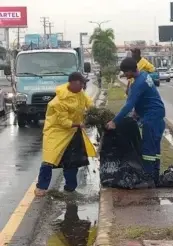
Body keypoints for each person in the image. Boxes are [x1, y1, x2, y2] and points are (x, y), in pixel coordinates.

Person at [35, 72, 96, 197]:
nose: (83, 86)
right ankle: (41, 187)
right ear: (72, 83)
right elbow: (64, 122)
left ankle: (70, 188)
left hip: (73, 132)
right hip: (56, 132)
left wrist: (94, 112)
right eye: (81, 83)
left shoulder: (79, 93)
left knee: (72, 160)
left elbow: (88, 102)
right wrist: (80, 125)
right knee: (49, 160)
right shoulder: (58, 101)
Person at [107, 57, 165, 186]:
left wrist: (114, 121)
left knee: (148, 150)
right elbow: (145, 98)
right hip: (157, 115)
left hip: (151, 117)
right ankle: (155, 177)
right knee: (155, 148)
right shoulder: (143, 75)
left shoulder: (139, 83)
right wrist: (137, 113)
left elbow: (128, 105)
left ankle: (149, 178)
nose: (124, 75)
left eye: (125, 72)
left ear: (130, 71)